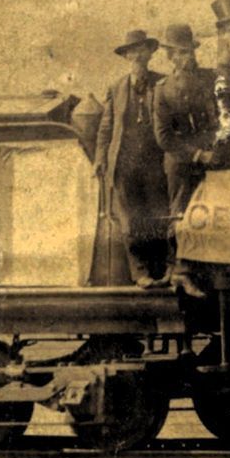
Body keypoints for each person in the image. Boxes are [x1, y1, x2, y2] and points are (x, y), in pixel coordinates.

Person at [71, 29, 172, 286]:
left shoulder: (163, 83)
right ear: (126, 57)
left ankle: (162, 271)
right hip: (125, 164)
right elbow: (106, 128)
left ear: (150, 53)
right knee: (131, 220)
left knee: (158, 216)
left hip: (156, 163)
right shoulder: (116, 88)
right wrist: (99, 159)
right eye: (132, 52)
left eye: (141, 50)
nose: (137, 56)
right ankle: (140, 273)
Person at [150, 22, 222, 220]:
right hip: (182, 166)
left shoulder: (211, 78)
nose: (188, 57)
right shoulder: (163, 89)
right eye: (181, 53)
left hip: (214, 160)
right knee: (181, 222)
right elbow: (164, 138)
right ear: (170, 56)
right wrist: (198, 154)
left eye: (189, 51)